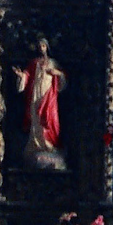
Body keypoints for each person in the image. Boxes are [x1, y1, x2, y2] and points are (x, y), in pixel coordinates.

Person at [12, 36, 67, 171]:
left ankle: (50, 146)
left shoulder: (53, 63)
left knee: (50, 120)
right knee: (36, 120)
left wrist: (58, 73)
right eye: (39, 46)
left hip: (49, 97)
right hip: (35, 95)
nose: (41, 48)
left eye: (43, 46)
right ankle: (36, 146)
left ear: (47, 47)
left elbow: (62, 82)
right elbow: (27, 76)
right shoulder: (34, 63)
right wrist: (21, 76)